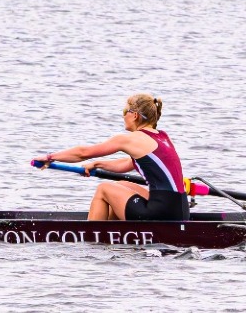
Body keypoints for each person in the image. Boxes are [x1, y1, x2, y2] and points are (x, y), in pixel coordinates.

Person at [38, 93, 190, 221]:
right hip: (179, 208)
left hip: (161, 213)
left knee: (104, 188)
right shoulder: (162, 136)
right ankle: (115, 233)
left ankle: (91, 238)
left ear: (135, 115)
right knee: (122, 184)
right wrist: (98, 164)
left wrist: (50, 157)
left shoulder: (130, 139)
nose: (124, 115)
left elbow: (82, 153)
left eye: (126, 111)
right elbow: (129, 163)